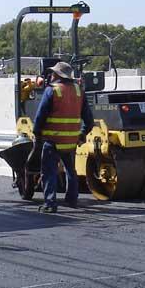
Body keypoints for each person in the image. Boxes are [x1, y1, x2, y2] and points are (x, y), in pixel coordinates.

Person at [31, 61, 94, 213]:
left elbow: (40, 116)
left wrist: (37, 133)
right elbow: (89, 121)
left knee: (49, 171)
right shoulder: (79, 91)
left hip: (53, 140)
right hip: (71, 141)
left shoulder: (52, 90)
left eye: (53, 73)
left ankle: (50, 203)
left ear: (57, 75)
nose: (51, 75)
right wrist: (82, 134)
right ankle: (72, 199)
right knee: (70, 170)